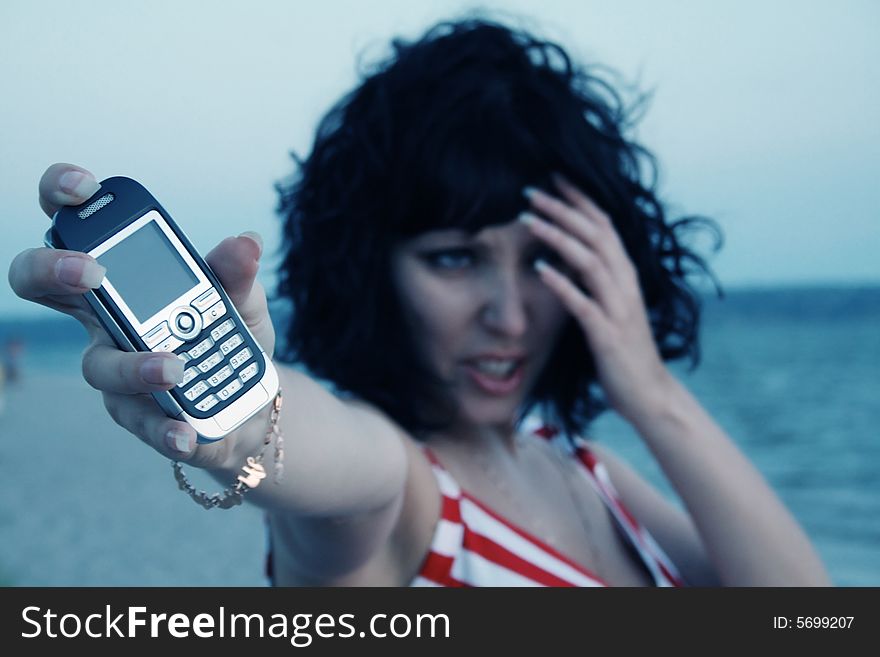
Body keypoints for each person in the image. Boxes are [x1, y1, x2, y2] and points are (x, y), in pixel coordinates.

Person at [8, 18, 830, 586]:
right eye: (455, 258)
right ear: (374, 266)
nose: (509, 314)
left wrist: (649, 391)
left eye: (544, 260)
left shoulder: (588, 468)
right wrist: (253, 432)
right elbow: (331, 470)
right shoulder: (401, 488)